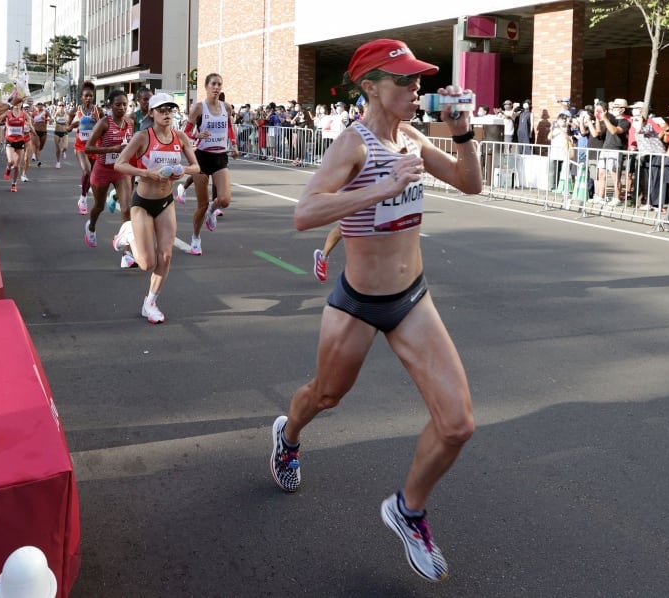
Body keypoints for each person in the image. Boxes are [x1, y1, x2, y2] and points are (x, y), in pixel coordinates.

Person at [269, 38, 481, 582]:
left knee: (457, 425)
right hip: (358, 304)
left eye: (418, 80)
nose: (417, 89)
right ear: (369, 87)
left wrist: (462, 133)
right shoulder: (353, 145)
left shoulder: (409, 135)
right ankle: (288, 436)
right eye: (404, 81)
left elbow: (469, 183)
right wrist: (380, 187)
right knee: (327, 395)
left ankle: (408, 511)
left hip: (412, 299)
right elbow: (304, 213)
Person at [113, 93, 199, 323]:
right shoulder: (143, 137)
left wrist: (181, 170)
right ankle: (127, 233)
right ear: (151, 112)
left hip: (165, 203)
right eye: (161, 109)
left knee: (167, 255)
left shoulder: (179, 137)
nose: (167, 113)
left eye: (170, 109)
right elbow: (120, 163)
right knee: (146, 263)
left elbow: (196, 166)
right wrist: (146, 173)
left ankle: (150, 303)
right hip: (142, 203)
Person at [182, 73, 239, 255]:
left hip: (220, 156)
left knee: (225, 200)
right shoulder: (199, 108)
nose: (216, 87)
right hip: (202, 157)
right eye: (213, 84)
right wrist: (196, 135)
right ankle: (196, 238)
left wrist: (235, 145)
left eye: (219, 84)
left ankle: (212, 211)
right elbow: (186, 132)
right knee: (202, 203)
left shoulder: (226, 108)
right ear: (206, 87)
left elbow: (229, 127)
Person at [84, 89, 134, 266]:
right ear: (110, 106)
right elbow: (88, 148)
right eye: (118, 105)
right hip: (102, 169)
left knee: (127, 208)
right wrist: (111, 149)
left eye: (124, 105)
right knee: (99, 206)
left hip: (121, 170)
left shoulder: (129, 123)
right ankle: (91, 227)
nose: (122, 108)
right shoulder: (104, 123)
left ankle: (127, 253)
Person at [68, 81, 103, 215]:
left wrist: (98, 119)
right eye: (86, 96)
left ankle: (84, 195)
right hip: (81, 146)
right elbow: (68, 126)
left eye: (91, 96)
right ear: (81, 97)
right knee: (87, 171)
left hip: (94, 146)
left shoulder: (98, 110)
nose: (88, 98)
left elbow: (105, 126)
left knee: (92, 175)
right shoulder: (75, 111)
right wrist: (75, 124)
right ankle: (83, 199)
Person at [595, 98, 630, 207]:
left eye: (616, 107)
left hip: (615, 149)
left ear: (622, 109)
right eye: (613, 106)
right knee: (601, 173)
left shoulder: (625, 122)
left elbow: (615, 131)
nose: (613, 108)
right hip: (605, 148)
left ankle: (617, 198)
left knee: (615, 174)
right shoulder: (611, 119)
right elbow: (599, 131)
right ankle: (600, 196)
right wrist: (598, 118)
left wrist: (605, 119)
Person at [31, 101, 51, 167]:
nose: (40, 106)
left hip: (44, 131)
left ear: (43, 105)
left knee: (41, 147)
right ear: (36, 106)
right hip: (36, 131)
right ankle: (37, 159)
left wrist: (46, 119)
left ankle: (36, 154)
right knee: (37, 145)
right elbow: (30, 121)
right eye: (38, 105)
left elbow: (51, 119)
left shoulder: (46, 112)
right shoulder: (34, 113)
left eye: (41, 105)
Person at [52, 101, 69, 168]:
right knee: (57, 149)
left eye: (62, 105)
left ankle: (63, 151)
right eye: (60, 105)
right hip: (57, 132)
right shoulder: (56, 113)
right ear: (57, 106)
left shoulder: (66, 113)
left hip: (64, 132)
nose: (61, 107)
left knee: (65, 147)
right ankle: (58, 162)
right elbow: (52, 119)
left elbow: (69, 121)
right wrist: (55, 114)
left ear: (64, 106)